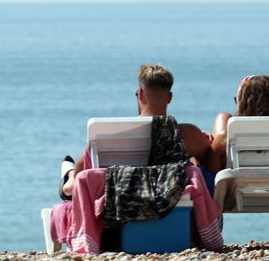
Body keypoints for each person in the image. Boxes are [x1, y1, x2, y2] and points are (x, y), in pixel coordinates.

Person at [59, 64, 211, 199]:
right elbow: (208, 163)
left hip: (121, 210)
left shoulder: (108, 134)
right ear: (169, 97)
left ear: (141, 94)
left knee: (74, 180)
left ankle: (67, 178)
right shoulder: (189, 133)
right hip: (170, 205)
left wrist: (74, 174)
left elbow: (82, 176)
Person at [199, 74, 269, 176]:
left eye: (237, 101)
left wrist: (195, 161)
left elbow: (211, 184)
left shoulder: (226, 138)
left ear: (244, 105)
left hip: (240, 191)